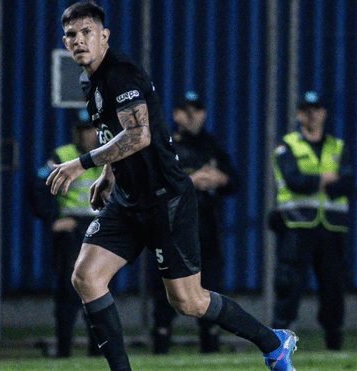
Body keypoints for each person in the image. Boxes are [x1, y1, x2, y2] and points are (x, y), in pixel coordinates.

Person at [47, 3, 297, 370]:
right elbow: (113, 134)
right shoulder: (90, 79)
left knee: (188, 301)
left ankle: (273, 342)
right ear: (65, 42)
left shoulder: (122, 73)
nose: (79, 40)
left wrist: (82, 163)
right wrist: (109, 176)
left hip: (166, 200)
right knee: (86, 276)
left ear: (104, 36)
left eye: (87, 32)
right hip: (127, 201)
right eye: (72, 35)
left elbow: (139, 134)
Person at [151, 91, 239, 354]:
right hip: (172, 228)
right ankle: (161, 343)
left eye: (197, 110)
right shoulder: (166, 144)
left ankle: (210, 342)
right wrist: (191, 181)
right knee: (168, 286)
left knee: (210, 285)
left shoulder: (212, 145)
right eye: (186, 110)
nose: (192, 116)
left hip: (207, 229)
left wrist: (220, 180)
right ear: (176, 114)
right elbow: (153, 184)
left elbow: (235, 182)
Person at [271, 91, 353, 351]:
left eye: (316, 108)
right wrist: (323, 180)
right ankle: (277, 346)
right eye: (306, 109)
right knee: (289, 287)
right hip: (297, 227)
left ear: (324, 113)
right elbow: (294, 181)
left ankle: (334, 345)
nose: (312, 114)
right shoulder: (287, 146)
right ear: (298, 114)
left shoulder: (337, 146)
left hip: (331, 228)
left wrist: (315, 182)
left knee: (334, 289)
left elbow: (348, 183)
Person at [29, 111, 102, 358]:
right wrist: (52, 220)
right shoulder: (63, 155)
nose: (85, 134)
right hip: (70, 235)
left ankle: (97, 352)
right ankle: (64, 352)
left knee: (98, 294)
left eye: (89, 128)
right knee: (68, 294)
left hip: (99, 234)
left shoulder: (109, 155)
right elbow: (38, 187)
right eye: (80, 129)